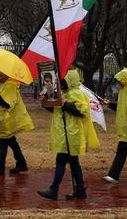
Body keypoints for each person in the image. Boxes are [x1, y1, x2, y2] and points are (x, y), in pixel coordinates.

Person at [37, 70, 99, 200]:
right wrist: (45, 103)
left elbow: (81, 111)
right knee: (73, 162)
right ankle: (80, 189)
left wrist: (64, 104)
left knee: (62, 160)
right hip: (64, 134)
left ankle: (54, 190)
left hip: (71, 134)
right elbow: (56, 109)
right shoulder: (64, 94)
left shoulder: (77, 94)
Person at [0, 72, 34, 176]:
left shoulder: (10, 86)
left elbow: (7, 104)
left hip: (8, 121)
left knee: (3, 142)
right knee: (11, 142)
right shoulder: (4, 85)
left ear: (7, 75)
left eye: (1, 75)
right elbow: (0, 102)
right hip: (3, 121)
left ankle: (0, 166)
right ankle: (21, 163)